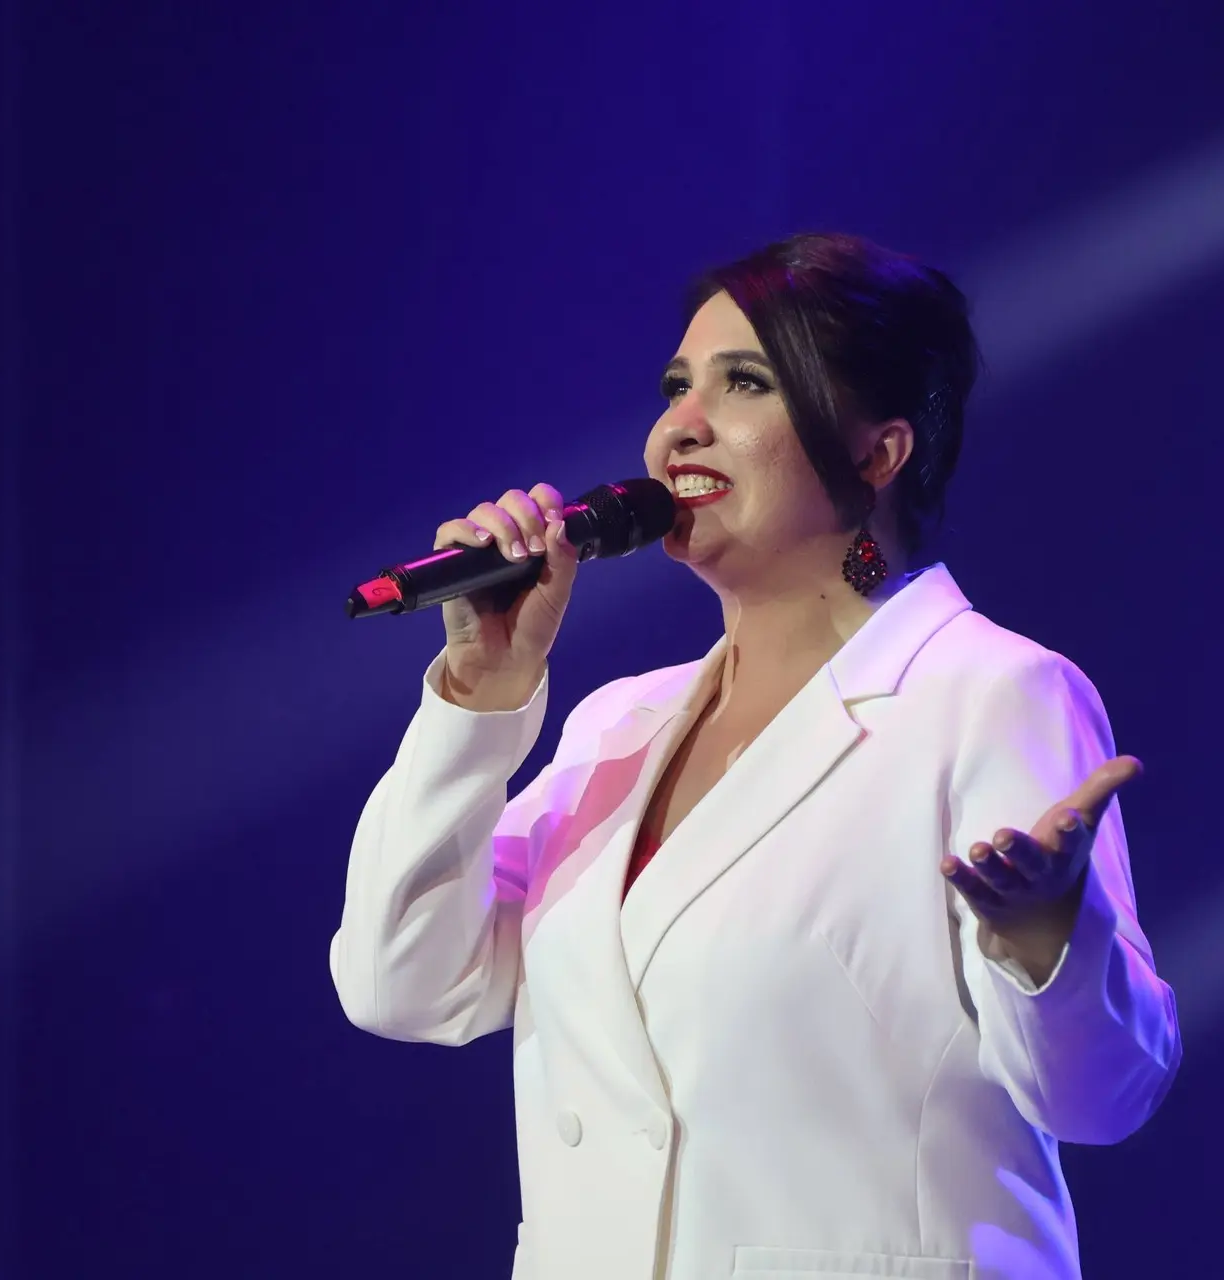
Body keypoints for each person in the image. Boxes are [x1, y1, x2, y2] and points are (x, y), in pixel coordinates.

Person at [330, 233, 1181, 1280]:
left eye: (745, 383)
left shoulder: (987, 694)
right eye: (675, 386)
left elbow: (1103, 1098)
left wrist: (1048, 940)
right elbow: (403, 984)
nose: (680, 424)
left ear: (878, 453)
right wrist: (480, 694)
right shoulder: (617, 725)